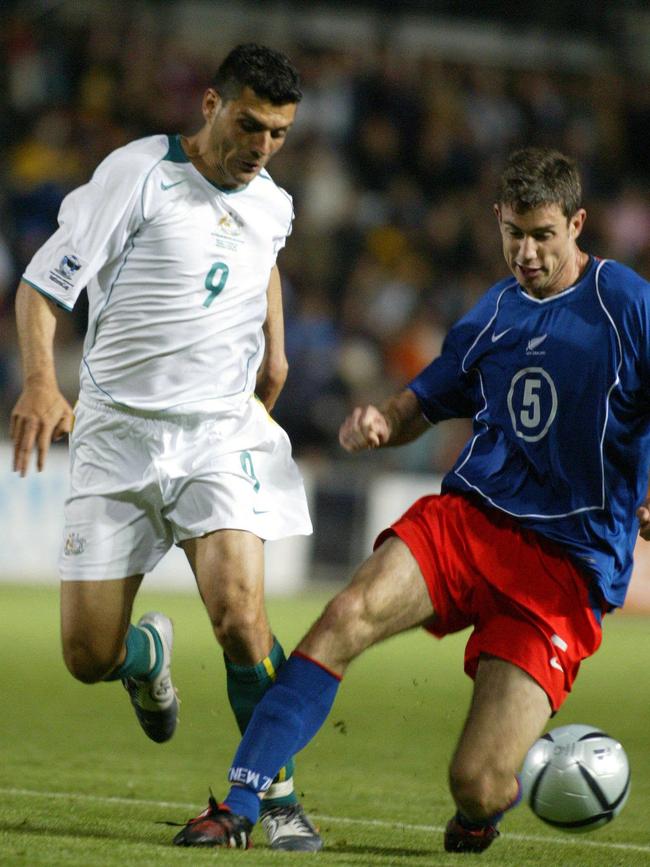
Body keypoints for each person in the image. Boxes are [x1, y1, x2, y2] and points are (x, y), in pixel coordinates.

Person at [169, 146, 650, 853]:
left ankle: (483, 810)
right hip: (471, 521)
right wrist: (383, 422)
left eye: (543, 235)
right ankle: (240, 803)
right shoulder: (494, 312)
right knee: (345, 615)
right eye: (513, 233)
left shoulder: (627, 306)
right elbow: (425, 398)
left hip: (565, 570)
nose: (526, 252)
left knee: (477, 782)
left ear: (577, 224)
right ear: (497, 221)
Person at [10, 43, 323, 852]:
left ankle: (276, 797)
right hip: (116, 437)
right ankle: (145, 653)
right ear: (213, 103)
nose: (262, 147)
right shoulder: (140, 173)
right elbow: (44, 285)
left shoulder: (271, 199)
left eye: (280, 134)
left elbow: (267, 257)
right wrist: (43, 381)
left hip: (218, 436)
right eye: (251, 125)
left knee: (241, 618)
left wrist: (276, 346)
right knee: (87, 655)